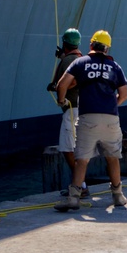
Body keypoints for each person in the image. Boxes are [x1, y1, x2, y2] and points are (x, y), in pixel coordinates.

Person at [54, 30, 127, 211]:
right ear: (107, 47)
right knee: (112, 158)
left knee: (82, 160)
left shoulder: (81, 63)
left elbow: (62, 85)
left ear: (91, 45)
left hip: (88, 117)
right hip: (111, 117)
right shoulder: (115, 66)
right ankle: (118, 196)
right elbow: (124, 94)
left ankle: (74, 198)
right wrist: (112, 106)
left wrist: (61, 100)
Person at [48, 28, 88, 198]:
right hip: (84, 108)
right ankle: (80, 185)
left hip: (72, 110)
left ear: (64, 43)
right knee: (78, 148)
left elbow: (67, 83)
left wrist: (60, 97)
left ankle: (80, 186)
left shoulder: (68, 61)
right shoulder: (82, 60)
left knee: (67, 148)